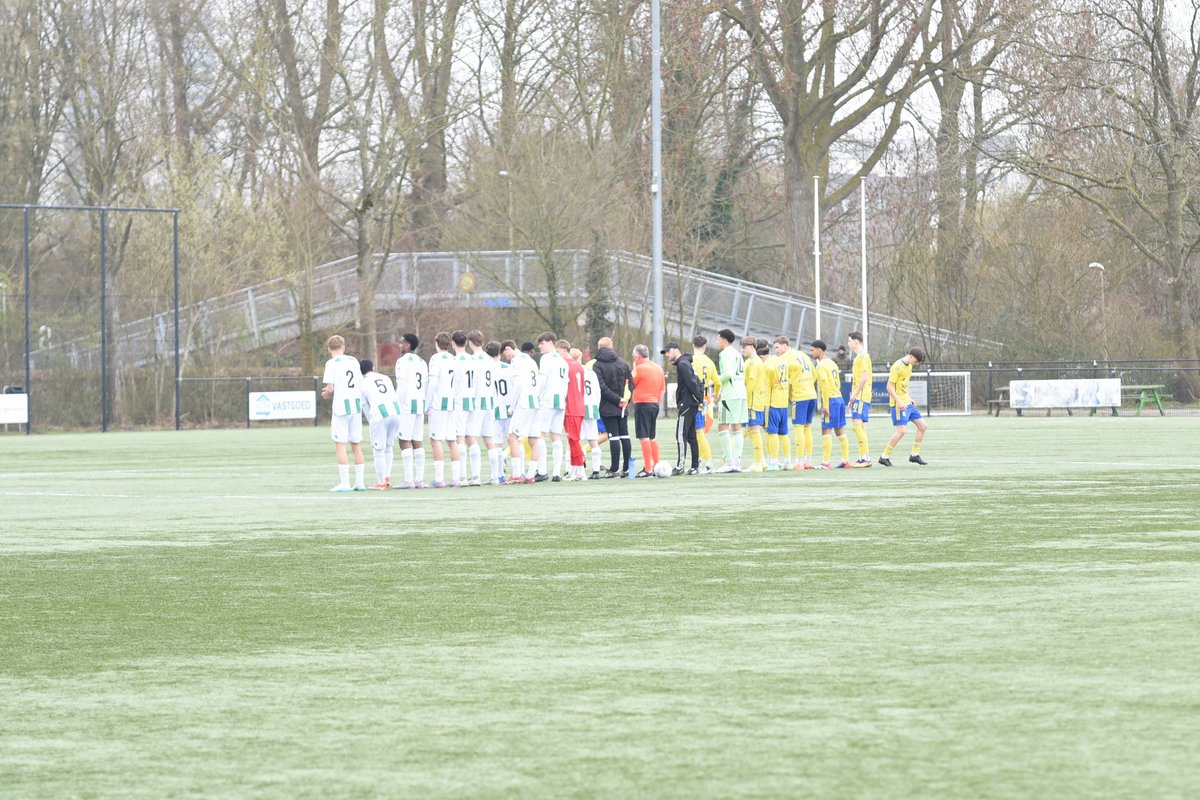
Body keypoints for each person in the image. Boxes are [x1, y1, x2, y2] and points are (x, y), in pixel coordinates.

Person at [320, 334, 366, 492]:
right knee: (356, 444)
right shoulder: (353, 361)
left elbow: (330, 388)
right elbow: (360, 382)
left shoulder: (331, 363)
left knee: (340, 444)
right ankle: (360, 482)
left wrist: (326, 393)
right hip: (355, 405)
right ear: (343, 347)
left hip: (341, 407)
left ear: (329, 349)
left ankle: (345, 483)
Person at [879, 347, 929, 466]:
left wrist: (909, 398)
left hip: (907, 402)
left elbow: (903, 386)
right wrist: (899, 401)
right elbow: (889, 387)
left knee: (923, 426)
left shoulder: (909, 366)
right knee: (901, 431)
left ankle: (914, 455)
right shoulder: (896, 367)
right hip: (898, 404)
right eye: (916, 361)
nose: (916, 364)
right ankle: (884, 456)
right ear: (911, 356)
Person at [358, 358, 402, 489]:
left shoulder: (361, 383)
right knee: (389, 446)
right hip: (396, 411)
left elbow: (365, 406)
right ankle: (387, 477)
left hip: (380, 413)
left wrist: (371, 421)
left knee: (378, 449)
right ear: (372, 368)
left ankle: (381, 482)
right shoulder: (385, 377)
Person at [501, 339, 542, 483]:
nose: (505, 357)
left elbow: (518, 385)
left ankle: (517, 474)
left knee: (512, 437)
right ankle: (530, 475)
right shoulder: (530, 360)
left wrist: (512, 406)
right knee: (534, 439)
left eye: (504, 354)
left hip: (524, 402)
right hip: (535, 401)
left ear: (508, 349)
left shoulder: (516, 361)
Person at [592, 336, 632, 477]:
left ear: (599, 347)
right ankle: (627, 468)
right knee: (625, 436)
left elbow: (602, 387)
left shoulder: (597, 365)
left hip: (608, 406)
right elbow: (630, 384)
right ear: (611, 346)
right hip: (622, 406)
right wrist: (626, 399)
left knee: (613, 436)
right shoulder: (623, 363)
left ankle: (614, 469)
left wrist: (617, 400)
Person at [393, 333, 428, 488]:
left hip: (407, 404)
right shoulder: (422, 362)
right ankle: (419, 480)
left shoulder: (402, 361)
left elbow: (402, 386)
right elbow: (425, 384)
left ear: (408, 345)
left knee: (404, 440)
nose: (399, 345)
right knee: (417, 440)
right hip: (419, 403)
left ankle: (409, 481)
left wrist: (396, 405)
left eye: (401, 343)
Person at [425, 331, 459, 488]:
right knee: (452, 439)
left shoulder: (435, 358)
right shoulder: (454, 359)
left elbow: (433, 382)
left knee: (435, 439)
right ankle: (456, 477)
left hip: (439, 403)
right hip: (452, 402)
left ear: (437, 343)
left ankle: (439, 478)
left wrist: (427, 403)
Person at [663, 342, 703, 475]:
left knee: (681, 435)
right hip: (691, 404)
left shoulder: (682, 364)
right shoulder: (686, 363)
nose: (667, 355)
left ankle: (680, 466)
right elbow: (698, 381)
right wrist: (699, 400)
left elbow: (693, 383)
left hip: (686, 405)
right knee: (691, 436)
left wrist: (698, 399)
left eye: (668, 351)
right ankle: (694, 466)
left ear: (676, 350)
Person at [811, 339, 851, 469]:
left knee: (826, 430)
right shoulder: (832, 363)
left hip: (831, 400)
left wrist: (825, 404)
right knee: (839, 430)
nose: (811, 352)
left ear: (819, 350)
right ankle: (845, 460)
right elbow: (837, 382)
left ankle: (826, 462)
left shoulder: (821, 365)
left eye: (813, 350)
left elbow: (824, 386)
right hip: (839, 397)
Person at [536, 331, 569, 481]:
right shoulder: (563, 360)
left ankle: (542, 471)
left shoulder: (546, 358)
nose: (540, 347)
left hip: (548, 400)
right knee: (556, 436)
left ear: (550, 342)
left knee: (540, 434)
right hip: (560, 401)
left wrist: (536, 396)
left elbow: (542, 380)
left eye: (542, 343)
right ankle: (556, 472)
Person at [630, 343, 665, 476]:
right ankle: (656, 466)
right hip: (654, 404)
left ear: (637, 356)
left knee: (643, 436)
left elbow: (631, 384)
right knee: (652, 436)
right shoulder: (658, 368)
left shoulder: (639, 369)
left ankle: (648, 469)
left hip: (642, 404)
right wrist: (656, 401)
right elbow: (662, 389)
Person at [714, 328, 746, 473]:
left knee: (722, 426)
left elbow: (727, 374)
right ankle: (737, 462)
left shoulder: (725, 354)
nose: (717, 342)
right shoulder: (738, 353)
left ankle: (729, 462)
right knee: (737, 426)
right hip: (741, 392)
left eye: (718, 339)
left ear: (724, 340)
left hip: (730, 394)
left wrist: (715, 380)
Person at [788, 336, 819, 470]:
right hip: (811, 394)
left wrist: (791, 393)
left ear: (785, 346)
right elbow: (815, 374)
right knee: (807, 427)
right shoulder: (803, 355)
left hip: (800, 396)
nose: (776, 351)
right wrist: (808, 385)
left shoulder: (787, 358)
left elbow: (786, 379)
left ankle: (799, 461)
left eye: (777, 347)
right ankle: (808, 461)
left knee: (799, 428)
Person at [691, 336, 720, 473]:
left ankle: (708, 463)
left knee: (698, 432)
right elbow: (717, 382)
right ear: (705, 346)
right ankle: (702, 461)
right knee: (700, 432)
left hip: (694, 400)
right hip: (705, 399)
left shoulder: (690, 360)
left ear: (693, 345)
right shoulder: (710, 362)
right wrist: (715, 394)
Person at [560, 339, 587, 481]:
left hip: (571, 407)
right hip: (579, 405)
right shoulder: (579, 366)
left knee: (574, 440)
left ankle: (581, 471)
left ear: (564, 350)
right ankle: (573, 471)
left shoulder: (565, 365)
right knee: (572, 440)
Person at [763, 337, 791, 470]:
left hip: (772, 402)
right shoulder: (783, 362)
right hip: (784, 402)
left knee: (772, 432)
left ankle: (773, 462)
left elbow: (770, 377)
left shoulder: (768, 363)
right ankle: (788, 462)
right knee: (784, 434)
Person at [486, 341, 512, 484]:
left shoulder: (487, 369)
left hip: (494, 408)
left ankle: (497, 475)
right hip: (509, 408)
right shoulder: (509, 368)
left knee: (496, 444)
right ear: (500, 352)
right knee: (514, 441)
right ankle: (518, 472)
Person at [577, 348, 604, 479]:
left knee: (575, 440)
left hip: (579, 408)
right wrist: (596, 407)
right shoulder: (591, 372)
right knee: (593, 440)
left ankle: (577, 469)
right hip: (592, 407)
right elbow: (598, 391)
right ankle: (596, 470)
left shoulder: (573, 370)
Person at [741, 336, 768, 472]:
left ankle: (758, 462)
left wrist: (743, 398)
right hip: (758, 399)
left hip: (752, 400)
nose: (742, 350)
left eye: (744, 347)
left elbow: (751, 383)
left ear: (751, 347)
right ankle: (761, 460)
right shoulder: (756, 361)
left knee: (754, 430)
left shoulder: (753, 362)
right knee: (753, 430)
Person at [846, 331, 873, 465]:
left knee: (856, 426)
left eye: (850, 341)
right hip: (862, 395)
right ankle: (863, 456)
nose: (848, 343)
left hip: (862, 395)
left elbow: (864, 377)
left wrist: (854, 395)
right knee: (860, 426)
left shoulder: (862, 357)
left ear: (856, 342)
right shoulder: (859, 357)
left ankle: (866, 458)